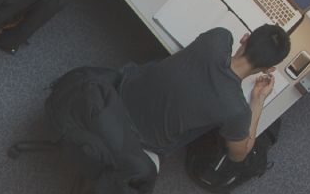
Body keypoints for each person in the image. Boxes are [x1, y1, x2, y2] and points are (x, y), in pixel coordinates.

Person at [117, 24, 289, 162]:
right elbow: (239, 155)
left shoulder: (218, 38)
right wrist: (258, 100)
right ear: (268, 69)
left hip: (121, 92)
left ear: (245, 37)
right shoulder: (237, 111)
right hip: (142, 141)